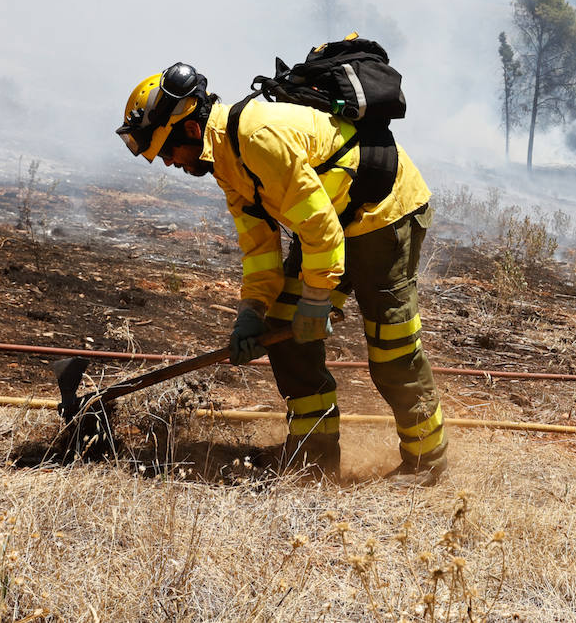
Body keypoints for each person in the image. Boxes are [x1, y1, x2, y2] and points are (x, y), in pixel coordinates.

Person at [116, 61, 447, 485]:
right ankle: (314, 453)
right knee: (285, 333)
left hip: (385, 214)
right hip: (335, 223)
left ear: (191, 131)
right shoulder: (227, 162)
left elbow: (321, 230)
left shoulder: (257, 138)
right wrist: (251, 311)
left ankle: (426, 461)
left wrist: (315, 301)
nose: (167, 163)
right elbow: (259, 248)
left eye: (165, 151)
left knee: (392, 350)